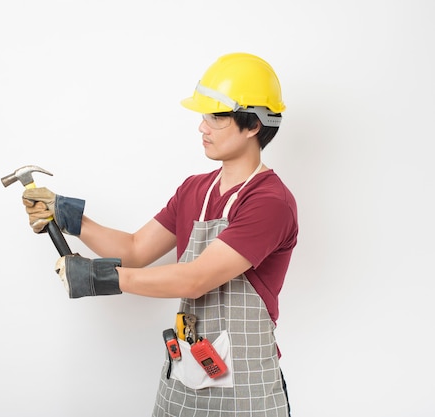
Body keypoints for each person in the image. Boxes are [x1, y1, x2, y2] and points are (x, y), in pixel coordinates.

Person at [22, 52, 297, 417]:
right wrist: (70, 216)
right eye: (203, 115)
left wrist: (99, 276)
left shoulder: (269, 202)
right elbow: (135, 249)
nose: (203, 127)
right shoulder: (193, 190)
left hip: (246, 389)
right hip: (186, 375)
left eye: (217, 116)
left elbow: (196, 279)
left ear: (254, 125)